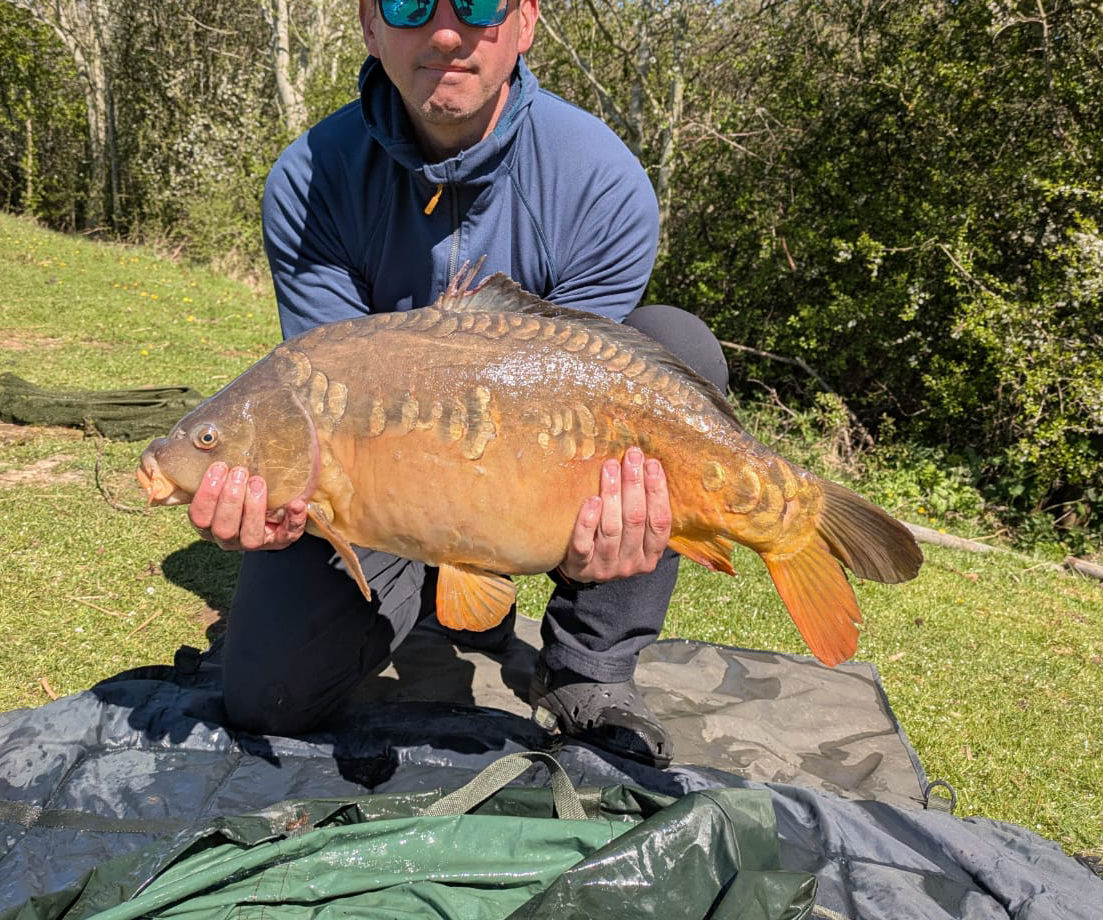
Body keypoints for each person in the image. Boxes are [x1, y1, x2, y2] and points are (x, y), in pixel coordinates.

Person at [187, 0, 728, 768]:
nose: (446, 32)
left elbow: (585, 396)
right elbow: (316, 398)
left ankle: (589, 667)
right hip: (377, 468)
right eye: (408, 4)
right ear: (370, 27)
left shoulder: (600, 179)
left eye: (478, 3)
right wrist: (278, 499)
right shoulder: (310, 179)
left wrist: (574, 536)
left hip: (532, 455)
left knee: (675, 346)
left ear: (526, 21)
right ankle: (435, 606)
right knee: (266, 699)